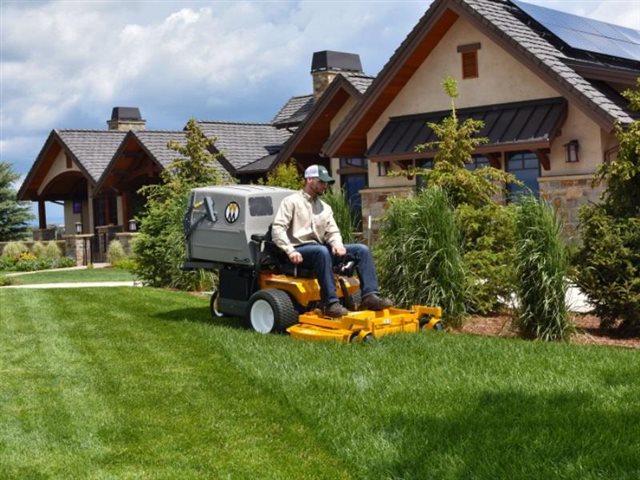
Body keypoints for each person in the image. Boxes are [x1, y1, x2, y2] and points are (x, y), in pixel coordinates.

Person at [271, 164, 393, 318]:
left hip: (320, 251)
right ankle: (330, 303)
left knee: (361, 250)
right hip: (298, 251)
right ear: (309, 180)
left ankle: (370, 296)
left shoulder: (325, 208)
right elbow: (278, 229)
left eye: (326, 182)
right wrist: (290, 250)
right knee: (321, 251)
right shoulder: (291, 202)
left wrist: (337, 244)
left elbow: (332, 231)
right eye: (321, 181)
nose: (325, 185)